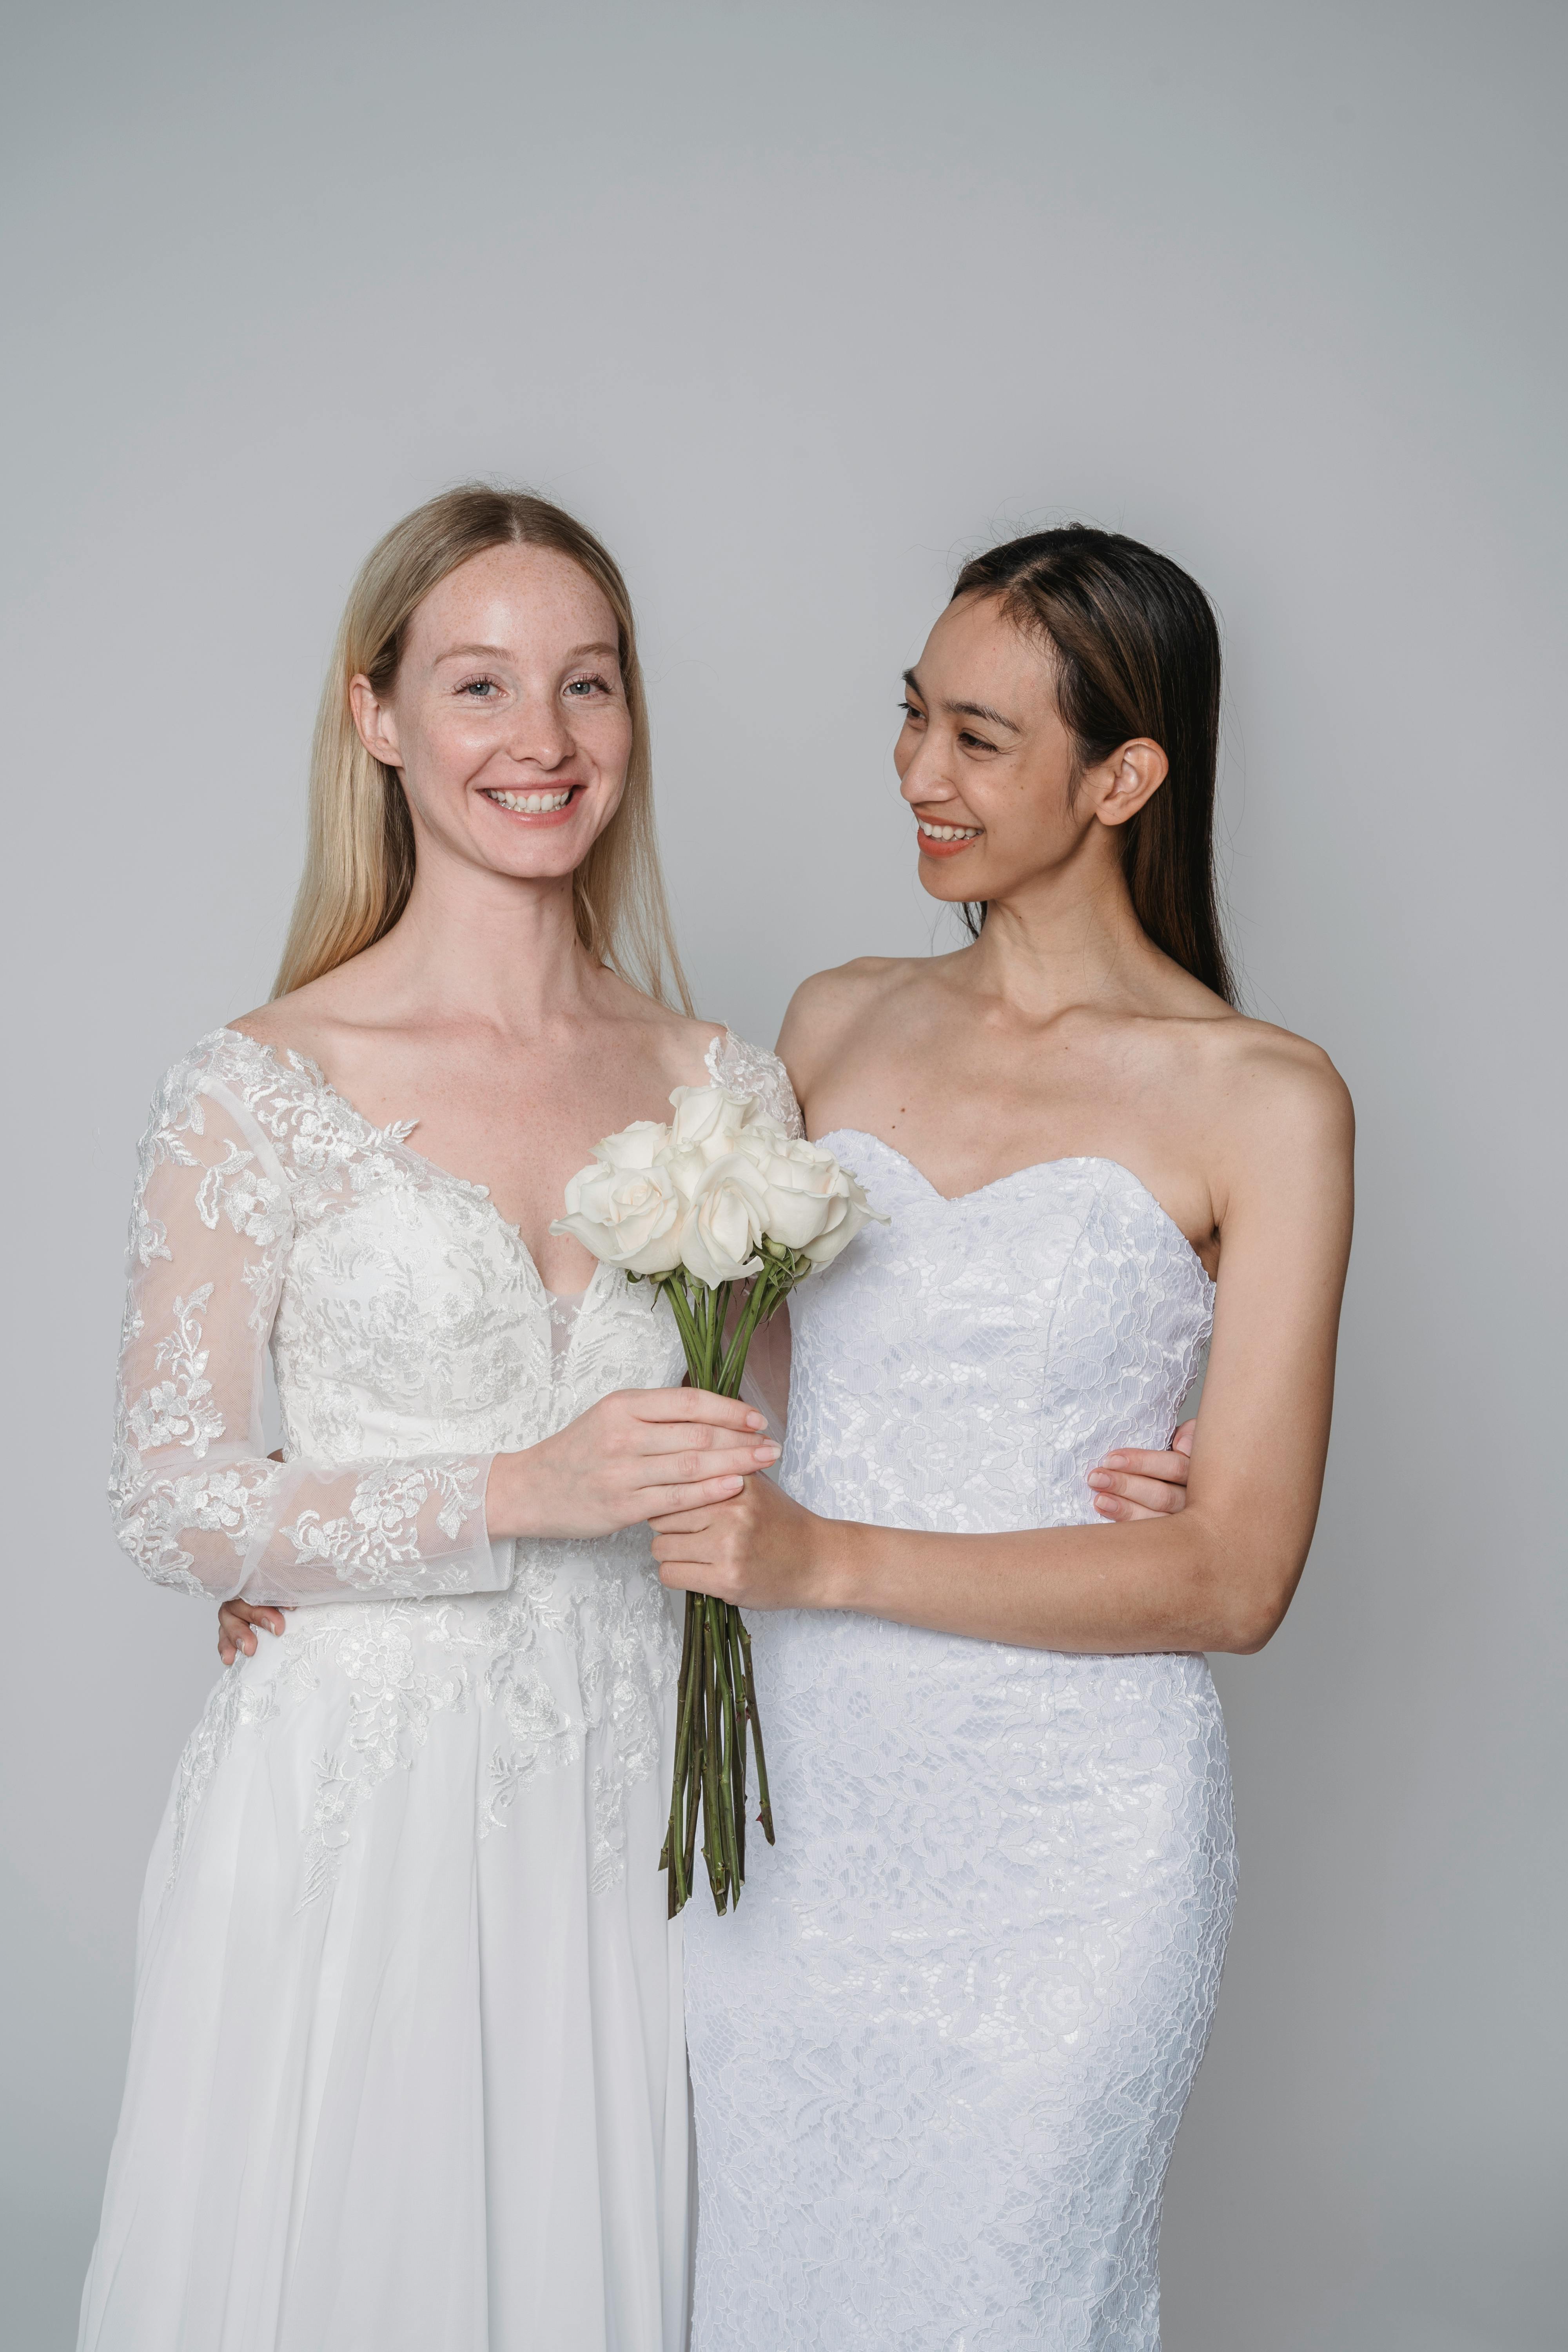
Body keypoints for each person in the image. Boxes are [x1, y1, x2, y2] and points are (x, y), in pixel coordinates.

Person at [78, 485, 797, 2352]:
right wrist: (512, 1490)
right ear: (374, 714)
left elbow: (788, 1480)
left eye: (587, 684)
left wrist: (1094, 1469)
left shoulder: (726, 1086)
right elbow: (170, 1503)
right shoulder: (262, 1084)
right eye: (478, 686)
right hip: (362, 1804)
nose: (541, 743)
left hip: (641, 1799)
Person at [662, 528, 1354, 2350]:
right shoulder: (835, 1017)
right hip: (797, 1808)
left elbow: (1235, 1576)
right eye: (912, 718)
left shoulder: (1266, 1099)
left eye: (978, 737)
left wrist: (828, 1560)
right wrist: (348, 1541)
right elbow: (728, 1402)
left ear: (1123, 777)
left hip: (1071, 1839)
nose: (916, 773)